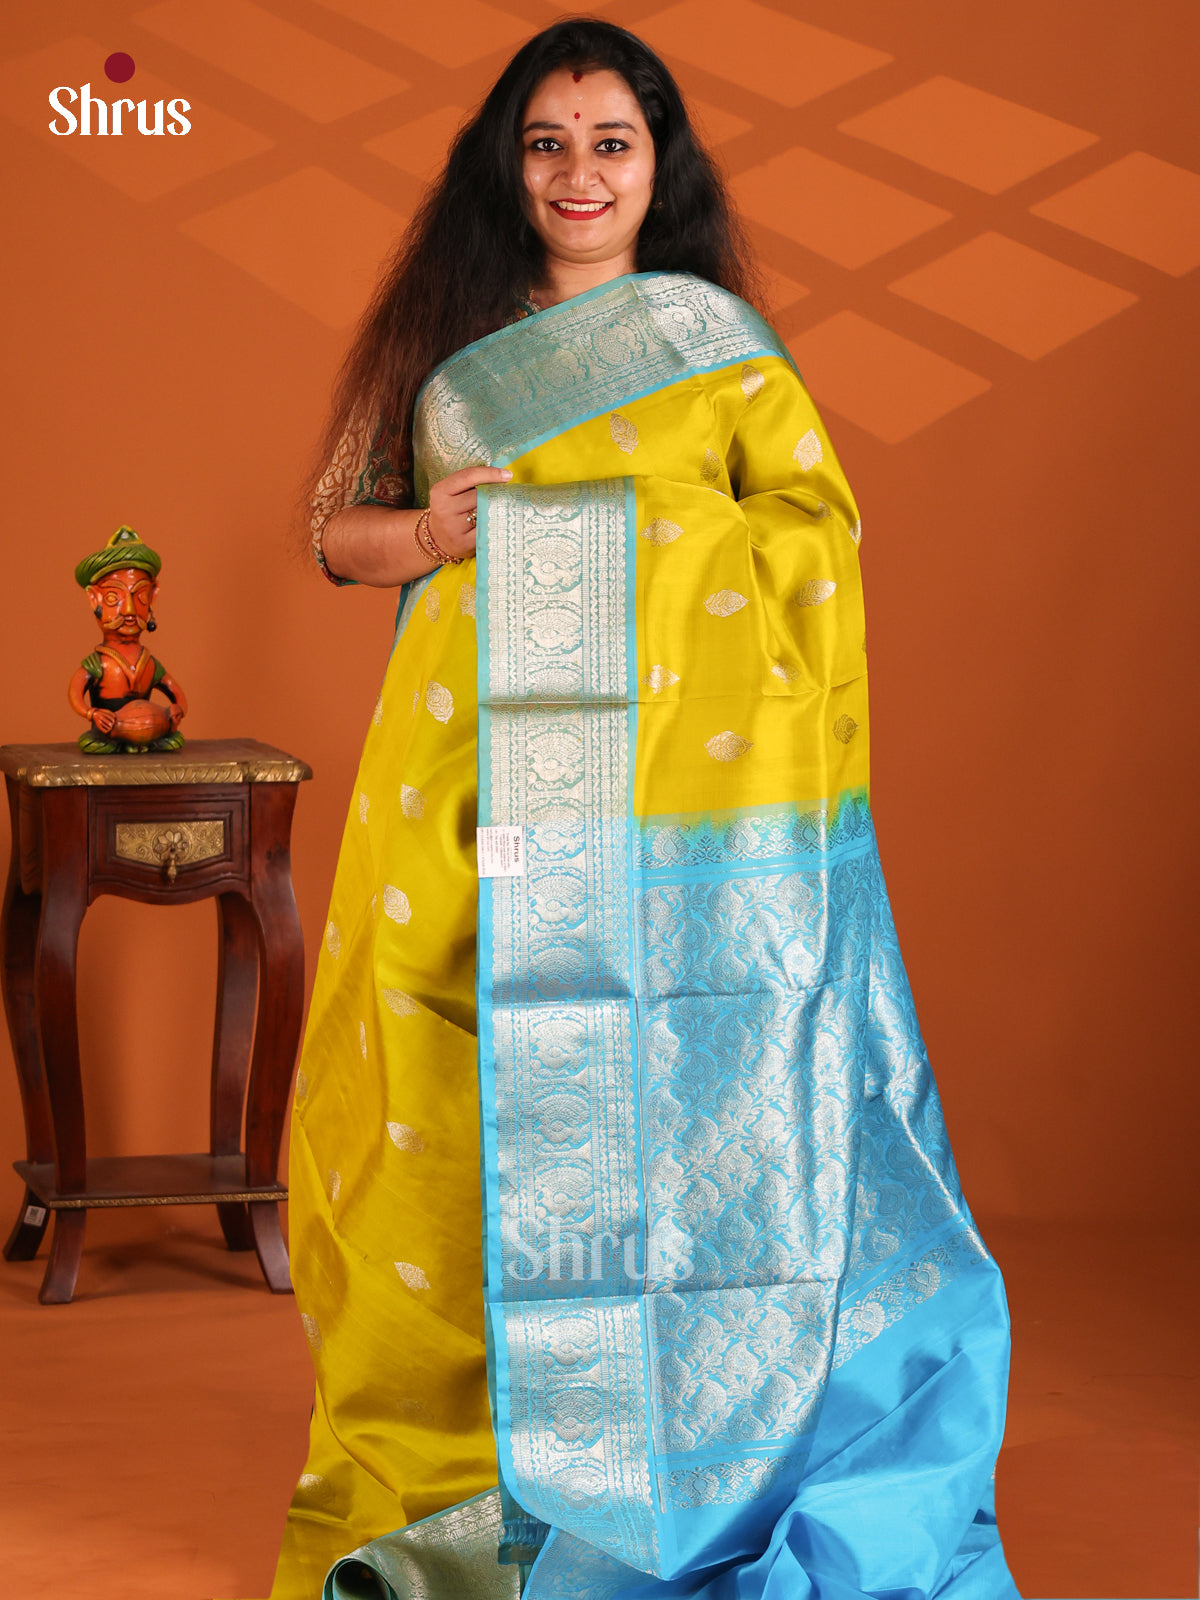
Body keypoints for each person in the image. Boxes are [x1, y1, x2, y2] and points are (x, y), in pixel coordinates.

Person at [268, 18, 1019, 1600]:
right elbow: (334, 531)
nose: (579, 174)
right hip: (470, 813)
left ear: (658, 164)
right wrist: (438, 536)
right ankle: (483, 1465)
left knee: (680, 1115)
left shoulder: (714, 346)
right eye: (547, 143)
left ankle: (688, 1451)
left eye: (611, 142)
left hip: (684, 839)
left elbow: (812, 542)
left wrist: (632, 533)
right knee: (457, 1115)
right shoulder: (450, 343)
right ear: (505, 165)